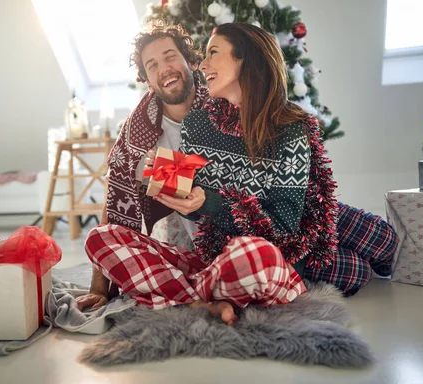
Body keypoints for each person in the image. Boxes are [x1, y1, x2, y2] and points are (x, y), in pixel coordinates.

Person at [76, 21, 397, 315]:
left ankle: (209, 290)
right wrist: (99, 286)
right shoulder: (150, 135)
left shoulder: (232, 107)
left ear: (189, 61)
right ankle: (206, 296)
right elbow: (129, 197)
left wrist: (206, 199)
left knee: (380, 241)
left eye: (171, 56)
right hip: (229, 240)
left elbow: (281, 213)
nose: (166, 69)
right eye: (152, 65)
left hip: (288, 211)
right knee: (354, 271)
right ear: (146, 80)